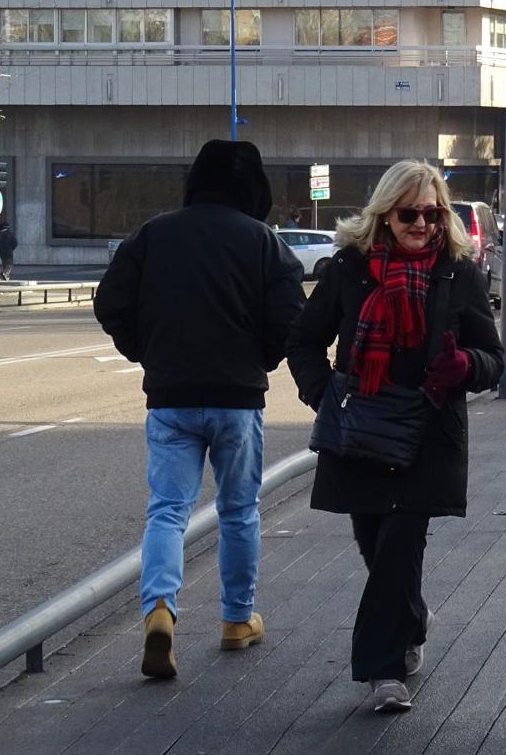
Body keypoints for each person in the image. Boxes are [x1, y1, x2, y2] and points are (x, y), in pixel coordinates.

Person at [285, 160, 504, 713]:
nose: (423, 224)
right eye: (411, 213)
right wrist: (323, 394)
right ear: (385, 213)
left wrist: (465, 366)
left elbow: (494, 359)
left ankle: (383, 674)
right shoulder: (348, 270)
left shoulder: (459, 272)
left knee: (401, 541)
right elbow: (305, 342)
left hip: (430, 430)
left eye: (434, 213)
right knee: (375, 544)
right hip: (362, 428)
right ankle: (410, 619)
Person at [93, 140, 306, 679]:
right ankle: (237, 621)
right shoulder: (265, 243)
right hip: (237, 399)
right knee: (239, 510)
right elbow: (290, 319)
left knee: (167, 508)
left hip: (170, 398)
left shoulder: (153, 234)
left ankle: (159, 610)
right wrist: (259, 357)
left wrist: (148, 352)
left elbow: (110, 301)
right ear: (253, 189)